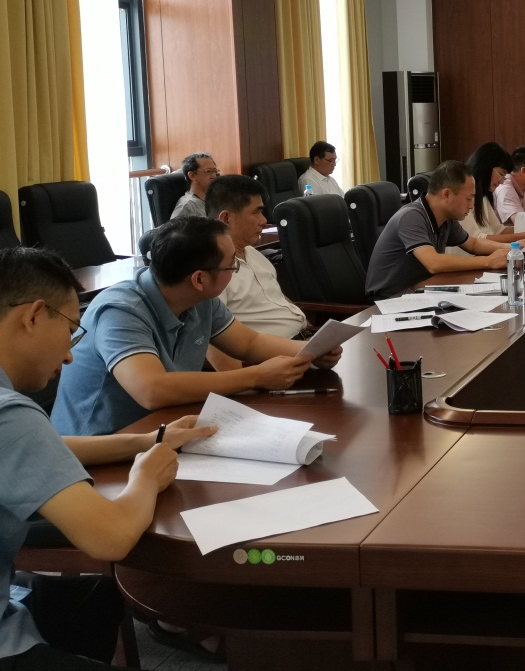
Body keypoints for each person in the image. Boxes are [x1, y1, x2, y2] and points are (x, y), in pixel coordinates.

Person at [0, 246, 214, 669]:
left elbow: (40, 447)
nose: (69, 355)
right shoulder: (11, 415)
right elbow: (111, 537)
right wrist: (146, 477)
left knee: (98, 599)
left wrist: (148, 440)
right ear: (34, 316)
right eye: (70, 330)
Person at [51, 216, 341, 437]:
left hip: (163, 430)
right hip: (101, 448)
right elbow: (151, 389)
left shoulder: (200, 299)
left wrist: (311, 350)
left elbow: (249, 343)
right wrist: (256, 377)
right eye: (231, 266)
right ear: (199, 279)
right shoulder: (121, 310)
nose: (234, 270)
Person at [365, 160, 511, 300]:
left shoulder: (446, 218)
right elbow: (433, 263)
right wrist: (488, 261)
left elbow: (473, 244)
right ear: (446, 194)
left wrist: (513, 248)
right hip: (391, 299)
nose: (471, 206)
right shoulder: (411, 216)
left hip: (420, 290)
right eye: (468, 199)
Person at [204, 174, 308, 341]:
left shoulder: (252, 253)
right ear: (226, 218)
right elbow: (212, 336)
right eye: (257, 212)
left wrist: (311, 330)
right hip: (276, 351)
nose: (264, 220)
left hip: (304, 337)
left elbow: (278, 298)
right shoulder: (213, 270)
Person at [454, 143, 525, 248]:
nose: (502, 181)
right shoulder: (463, 196)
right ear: (486, 167)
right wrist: (523, 235)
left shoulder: (482, 196)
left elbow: (498, 230)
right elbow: (476, 239)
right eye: (501, 174)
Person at [169, 152, 218, 220]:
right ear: (192, 175)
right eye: (208, 171)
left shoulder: (215, 199)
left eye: (215, 171)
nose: (214, 176)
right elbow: (173, 227)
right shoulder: (186, 206)